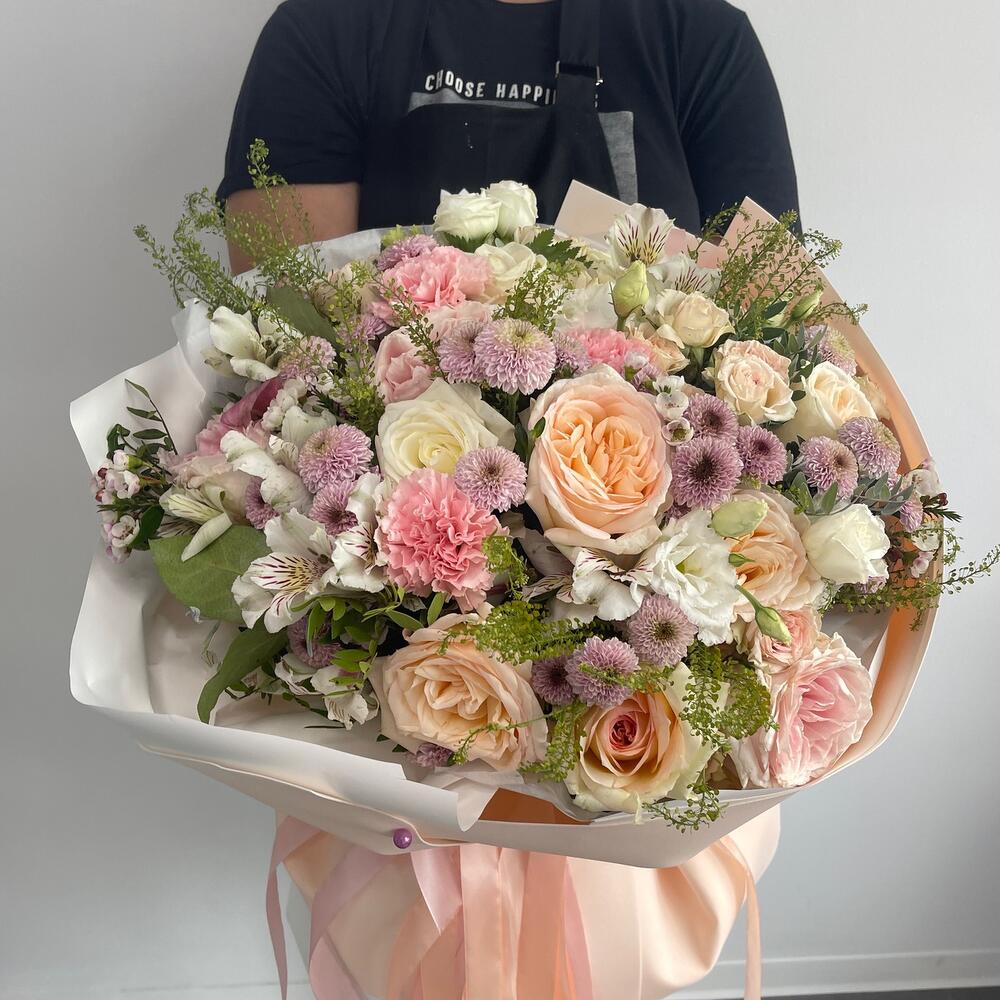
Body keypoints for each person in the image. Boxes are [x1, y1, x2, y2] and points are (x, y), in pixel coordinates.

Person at [220, 0, 797, 271]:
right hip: (392, 471)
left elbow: (766, 324)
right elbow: (291, 332)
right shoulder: (325, 30)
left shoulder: (702, 40)